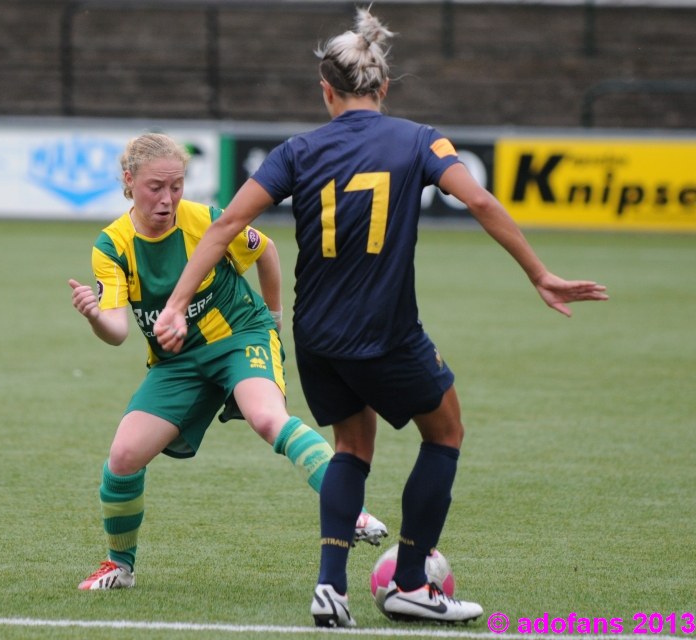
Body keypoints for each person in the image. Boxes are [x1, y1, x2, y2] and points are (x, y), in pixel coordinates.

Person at [153, 8, 609, 628]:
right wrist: (539, 273)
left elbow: (228, 225)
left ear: (326, 90)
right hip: (386, 333)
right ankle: (413, 583)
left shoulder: (297, 150)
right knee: (445, 432)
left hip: (315, 338)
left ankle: (330, 587)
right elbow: (476, 197)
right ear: (384, 86)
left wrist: (176, 304)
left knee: (351, 447)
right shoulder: (419, 140)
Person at [70, 132, 387, 591]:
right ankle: (120, 565)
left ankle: (348, 510)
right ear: (128, 181)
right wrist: (96, 316)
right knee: (122, 457)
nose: (168, 199)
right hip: (178, 363)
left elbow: (266, 251)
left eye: (176, 186)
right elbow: (117, 332)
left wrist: (273, 321)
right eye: (155, 187)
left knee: (266, 417)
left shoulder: (205, 221)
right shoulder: (112, 246)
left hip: (241, 337)